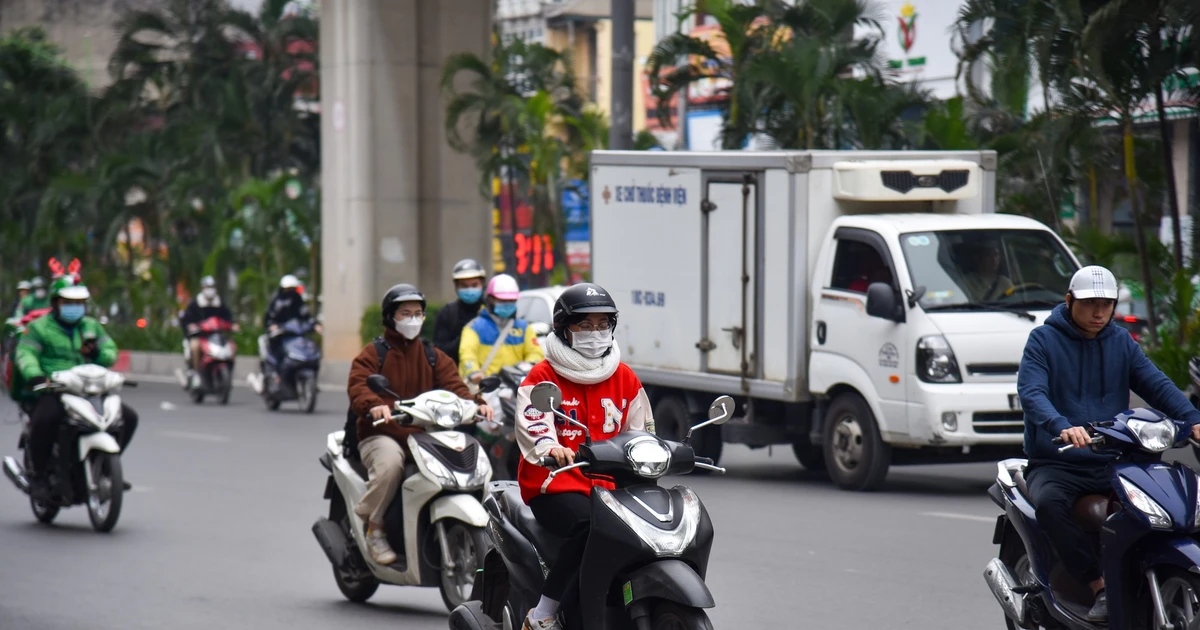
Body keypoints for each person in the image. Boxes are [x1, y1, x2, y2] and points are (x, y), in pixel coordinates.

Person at [1017, 265, 1200, 622]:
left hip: (1113, 459)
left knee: (1167, 503)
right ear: (1069, 301)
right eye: (1089, 304)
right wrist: (1061, 425)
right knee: (1050, 505)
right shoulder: (1043, 341)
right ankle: (1097, 585)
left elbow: (1156, 384)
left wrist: (1193, 419)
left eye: (1107, 304)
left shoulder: (1120, 343)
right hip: (1059, 462)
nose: (1099, 312)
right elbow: (1032, 392)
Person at [513, 282, 655, 630]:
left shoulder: (624, 376)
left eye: (603, 324)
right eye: (584, 325)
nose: (596, 333)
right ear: (563, 329)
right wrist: (551, 448)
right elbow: (535, 427)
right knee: (590, 528)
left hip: (613, 487)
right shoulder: (542, 376)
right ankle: (542, 614)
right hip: (556, 484)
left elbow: (643, 431)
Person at [347, 283, 494, 565]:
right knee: (390, 465)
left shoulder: (432, 355)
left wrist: (475, 404)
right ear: (391, 317)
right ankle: (374, 526)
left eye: (418, 313)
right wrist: (374, 405)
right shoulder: (373, 353)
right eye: (405, 313)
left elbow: (455, 386)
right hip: (382, 433)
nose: (413, 319)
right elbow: (358, 386)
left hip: (426, 435)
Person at [13, 276, 139, 497]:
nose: (75, 308)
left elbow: (110, 350)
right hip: (54, 388)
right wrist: (35, 376)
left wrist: (98, 354)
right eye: (69, 303)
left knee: (128, 418)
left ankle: (107, 469)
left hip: (88, 388)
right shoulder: (38, 328)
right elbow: (26, 354)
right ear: (55, 303)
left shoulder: (91, 327)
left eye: (79, 303)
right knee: (46, 420)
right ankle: (38, 477)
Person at [459, 274, 544, 383]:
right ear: (490, 299)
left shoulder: (524, 327)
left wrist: (527, 367)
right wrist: (474, 373)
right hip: (487, 388)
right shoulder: (473, 327)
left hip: (516, 387)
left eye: (511, 300)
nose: (507, 304)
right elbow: (467, 354)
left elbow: (536, 353)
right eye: (502, 300)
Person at [180, 276, 236, 387]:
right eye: (208, 287)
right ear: (203, 288)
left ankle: (229, 374)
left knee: (232, 347)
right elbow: (187, 320)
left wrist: (233, 325)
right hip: (201, 335)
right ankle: (196, 373)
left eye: (212, 287)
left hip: (216, 336)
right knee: (195, 346)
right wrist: (191, 326)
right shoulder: (195, 303)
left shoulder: (220, 302)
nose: (210, 289)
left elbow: (228, 317)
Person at [433, 258, 487, 365]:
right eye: (464, 286)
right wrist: (466, 337)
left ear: (482, 284)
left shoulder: (492, 311)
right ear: (456, 287)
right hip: (457, 376)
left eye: (474, 285)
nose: (469, 290)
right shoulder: (447, 313)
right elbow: (439, 351)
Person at [263, 274, 320, 363]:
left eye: (293, 289)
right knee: (276, 350)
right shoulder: (277, 302)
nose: (291, 292)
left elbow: (306, 315)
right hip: (281, 335)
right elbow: (270, 317)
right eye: (288, 289)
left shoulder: (299, 301)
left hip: (296, 335)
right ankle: (278, 372)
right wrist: (273, 326)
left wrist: (315, 325)